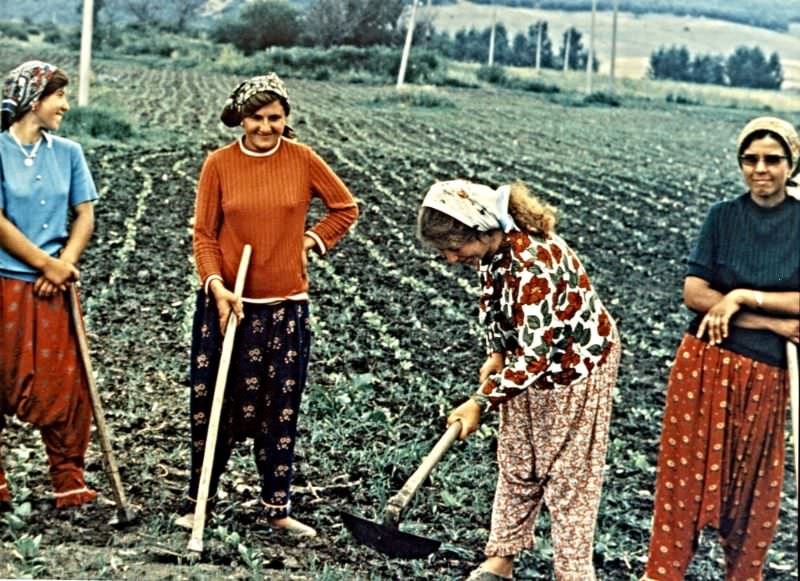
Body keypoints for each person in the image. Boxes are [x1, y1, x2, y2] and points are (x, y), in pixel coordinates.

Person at [177, 73, 358, 537]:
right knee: (210, 403)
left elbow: (345, 208)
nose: (265, 127)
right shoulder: (218, 164)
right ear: (240, 118)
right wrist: (215, 285)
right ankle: (200, 501)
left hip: (284, 306)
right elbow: (203, 234)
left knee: (280, 408)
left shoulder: (302, 160)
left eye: (275, 118)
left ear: (286, 119)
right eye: (256, 117)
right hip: (228, 306)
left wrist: (313, 240)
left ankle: (277, 508)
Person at [417, 180, 621, 581]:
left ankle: (574, 572)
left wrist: (480, 401)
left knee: (568, 477)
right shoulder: (494, 251)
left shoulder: (533, 263)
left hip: (573, 367)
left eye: (454, 248)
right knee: (517, 460)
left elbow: (536, 358)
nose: (450, 258)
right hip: (525, 364)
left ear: (481, 230)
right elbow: (493, 301)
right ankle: (502, 557)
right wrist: (496, 353)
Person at [642, 117, 800, 581]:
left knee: (752, 491)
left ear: (792, 165)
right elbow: (694, 293)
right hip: (705, 363)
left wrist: (738, 298)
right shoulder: (723, 217)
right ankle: (662, 574)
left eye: (773, 160)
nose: (761, 170)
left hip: (768, 373)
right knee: (682, 483)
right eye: (750, 160)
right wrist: (770, 318)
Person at [0, 61, 98, 510]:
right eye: (59, 96)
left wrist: (64, 264)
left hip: (54, 285)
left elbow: (85, 214)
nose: (66, 105)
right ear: (34, 100)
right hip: (6, 282)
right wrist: (43, 263)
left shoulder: (69, 153)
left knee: (63, 384)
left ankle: (68, 479)